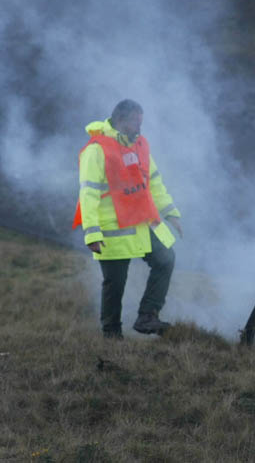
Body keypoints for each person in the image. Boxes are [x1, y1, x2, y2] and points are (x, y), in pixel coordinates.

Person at [72, 99, 183, 339]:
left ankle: (147, 316)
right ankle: (111, 335)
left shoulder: (140, 145)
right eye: (135, 122)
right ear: (120, 120)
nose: (139, 127)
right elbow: (88, 193)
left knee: (165, 259)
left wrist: (171, 212)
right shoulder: (97, 149)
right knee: (115, 283)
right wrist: (92, 232)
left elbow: (154, 181)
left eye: (141, 121)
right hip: (111, 230)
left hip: (141, 223)